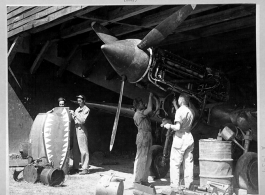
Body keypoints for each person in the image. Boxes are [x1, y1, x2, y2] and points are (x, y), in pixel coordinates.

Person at [162, 93, 195, 192]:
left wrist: (168, 125)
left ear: (180, 101)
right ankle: (189, 186)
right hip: (189, 137)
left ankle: (175, 187)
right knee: (188, 163)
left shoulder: (179, 111)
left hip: (180, 138)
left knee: (175, 163)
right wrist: (176, 106)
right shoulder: (191, 111)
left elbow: (177, 127)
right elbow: (183, 116)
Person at [132, 92, 154, 186]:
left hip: (148, 135)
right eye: (141, 103)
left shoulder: (142, 113)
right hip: (143, 135)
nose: (143, 104)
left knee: (148, 159)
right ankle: (137, 180)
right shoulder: (138, 114)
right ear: (137, 105)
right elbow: (150, 109)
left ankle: (144, 180)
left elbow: (151, 111)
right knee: (141, 158)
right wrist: (150, 97)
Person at [69, 95, 90, 175]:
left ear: (84, 100)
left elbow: (82, 120)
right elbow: (74, 119)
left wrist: (74, 114)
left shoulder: (86, 109)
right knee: (75, 149)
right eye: (78, 99)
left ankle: (85, 168)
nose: (79, 100)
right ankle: (75, 167)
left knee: (83, 149)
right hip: (76, 129)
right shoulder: (77, 109)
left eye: (80, 99)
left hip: (82, 129)